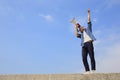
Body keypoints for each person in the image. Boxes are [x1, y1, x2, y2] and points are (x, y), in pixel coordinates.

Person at [75, 9, 96, 74]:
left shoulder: (88, 30)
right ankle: (87, 70)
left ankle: (93, 70)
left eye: (83, 27)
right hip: (84, 45)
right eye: (81, 28)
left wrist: (88, 13)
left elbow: (89, 21)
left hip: (89, 43)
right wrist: (76, 28)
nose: (82, 27)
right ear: (80, 30)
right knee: (84, 58)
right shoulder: (81, 36)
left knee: (91, 56)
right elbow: (76, 35)